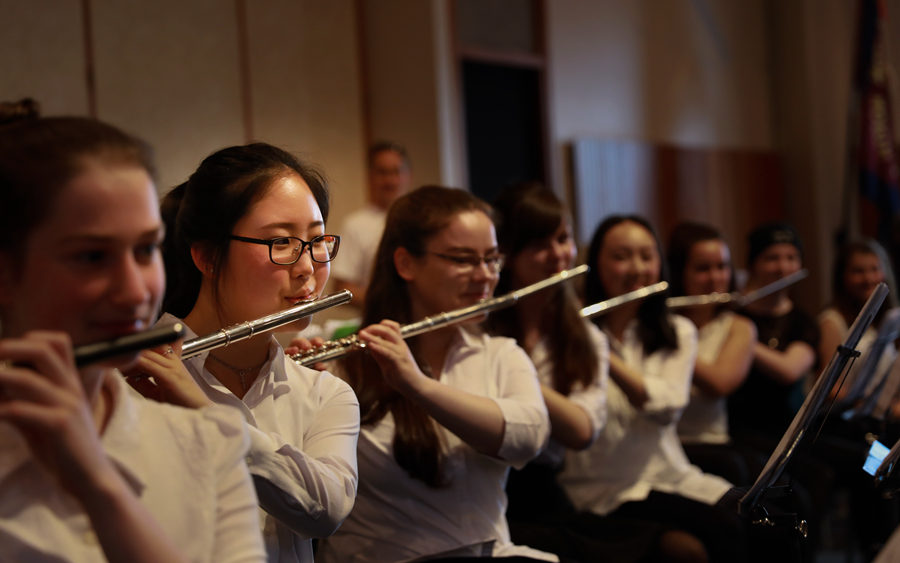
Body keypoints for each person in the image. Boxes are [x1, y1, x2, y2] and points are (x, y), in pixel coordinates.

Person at [0, 113, 265, 561]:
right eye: (91, 256)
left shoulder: (208, 445)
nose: (136, 291)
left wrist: (99, 485)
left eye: (146, 249)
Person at [130, 143, 360, 562]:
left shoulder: (324, 393)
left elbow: (326, 510)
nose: (308, 267)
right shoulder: (131, 381)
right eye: (281, 242)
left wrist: (207, 413)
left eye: (317, 240)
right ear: (207, 256)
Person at [315, 185, 555, 562]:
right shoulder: (347, 360)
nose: (485, 276)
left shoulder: (501, 354)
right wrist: (299, 392)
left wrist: (417, 385)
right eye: (463, 259)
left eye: (492, 259)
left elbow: (529, 437)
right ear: (405, 263)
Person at [489, 184, 708, 563]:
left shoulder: (582, 336)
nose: (558, 255)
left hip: (541, 488)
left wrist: (515, 370)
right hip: (490, 488)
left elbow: (581, 430)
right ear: (505, 253)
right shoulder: (481, 329)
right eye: (539, 244)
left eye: (563, 239)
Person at [559, 215, 747, 563]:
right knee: (722, 531)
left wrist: (598, 349)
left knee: (766, 517)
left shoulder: (678, 332)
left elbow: (666, 407)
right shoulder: (568, 338)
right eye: (621, 257)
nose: (637, 269)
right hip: (601, 489)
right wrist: (578, 332)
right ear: (596, 265)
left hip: (669, 475)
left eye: (647, 256)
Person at [667, 221, 756, 485]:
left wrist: (666, 340)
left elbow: (720, 383)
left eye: (722, 267)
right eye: (703, 269)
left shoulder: (739, 326)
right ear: (679, 272)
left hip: (710, 442)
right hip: (663, 444)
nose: (716, 278)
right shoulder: (661, 323)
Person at [331, 141, 412, 306]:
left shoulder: (421, 221)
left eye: (396, 171)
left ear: (408, 175)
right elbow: (342, 288)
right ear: (370, 176)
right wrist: (390, 301)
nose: (390, 180)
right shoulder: (355, 225)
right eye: (382, 172)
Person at [817, 238, 898, 400]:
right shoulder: (832, 322)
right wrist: (876, 404)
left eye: (875, 269)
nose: (868, 279)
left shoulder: (887, 317)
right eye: (858, 271)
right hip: (849, 413)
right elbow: (829, 388)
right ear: (843, 276)